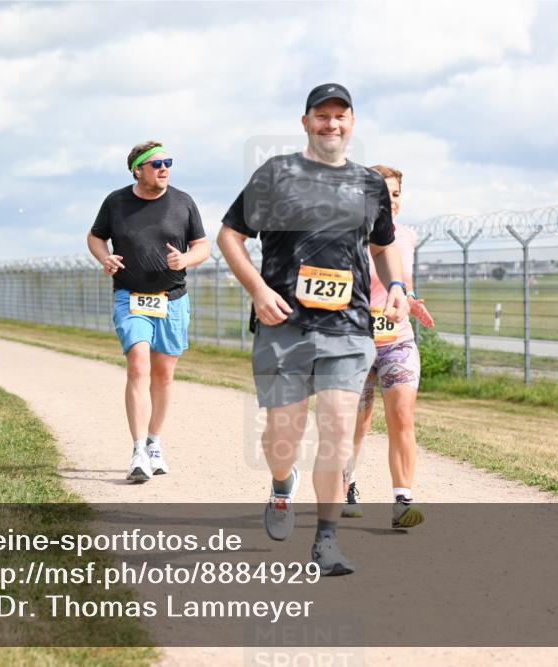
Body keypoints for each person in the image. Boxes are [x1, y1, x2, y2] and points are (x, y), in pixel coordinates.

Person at [218, 84, 409, 575]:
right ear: (305, 122)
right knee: (283, 435)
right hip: (283, 323)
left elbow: (383, 244)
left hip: (349, 327)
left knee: (339, 429)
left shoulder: (369, 184)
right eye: (322, 116)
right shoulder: (276, 174)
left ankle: (326, 540)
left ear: (353, 123)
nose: (331, 124)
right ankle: (282, 485)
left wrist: (397, 286)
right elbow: (230, 236)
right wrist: (258, 290)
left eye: (340, 116)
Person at [88, 140, 210, 483]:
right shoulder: (116, 202)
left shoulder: (183, 202)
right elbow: (95, 237)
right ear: (137, 170)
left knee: (164, 374)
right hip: (130, 297)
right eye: (156, 164)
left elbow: (203, 246)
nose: (164, 168)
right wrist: (105, 257)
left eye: (168, 162)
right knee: (139, 365)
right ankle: (138, 450)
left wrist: (185, 259)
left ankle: (155, 443)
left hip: (173, 299)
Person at [343, 165, 435, 528]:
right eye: (383, 193)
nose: (391, 201)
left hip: (397, 338)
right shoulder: (347, 234)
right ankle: (347, 484)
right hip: (354, 340)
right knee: (357, 424)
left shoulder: (407, 236)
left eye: (395, 194)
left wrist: (410, 299)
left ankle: (402, 500)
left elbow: (400, 282)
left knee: (402, 416)